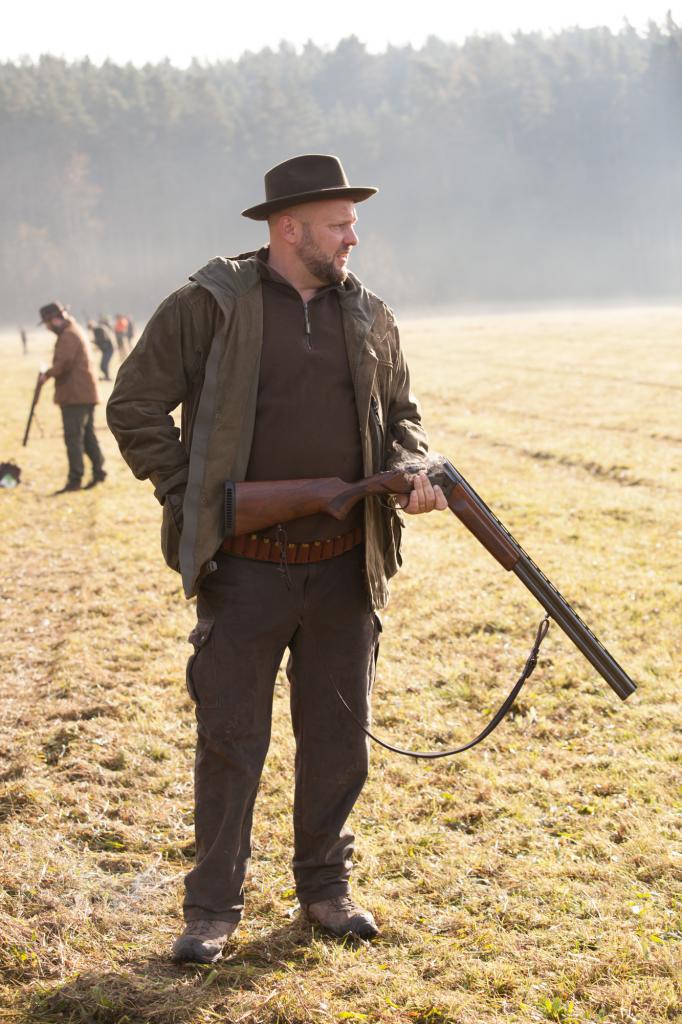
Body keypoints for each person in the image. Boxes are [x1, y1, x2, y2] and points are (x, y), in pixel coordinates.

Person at [106, 154, 446, 963]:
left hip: (344, 568)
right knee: (231, 743)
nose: (353, 237)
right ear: (288, 228)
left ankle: (326, 890)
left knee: (339, 742)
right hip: (245, 568)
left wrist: (412, 465)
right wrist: (191, 496)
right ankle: (212, 910)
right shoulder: (208, 305)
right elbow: (135, 405)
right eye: (339, 224)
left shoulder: (369, 313)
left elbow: (403, 414)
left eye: (353, 223)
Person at [38, 302, 106, 493]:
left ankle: (75, 480)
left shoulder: (68, 335)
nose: (47, 327)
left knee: (73, 439)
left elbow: (63, 365)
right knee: (87, 436)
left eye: (47, 323)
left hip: (75, 396)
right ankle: (99, 472)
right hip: (83, 394)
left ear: (55, 319)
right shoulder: (73, 330)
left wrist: (46, 374)